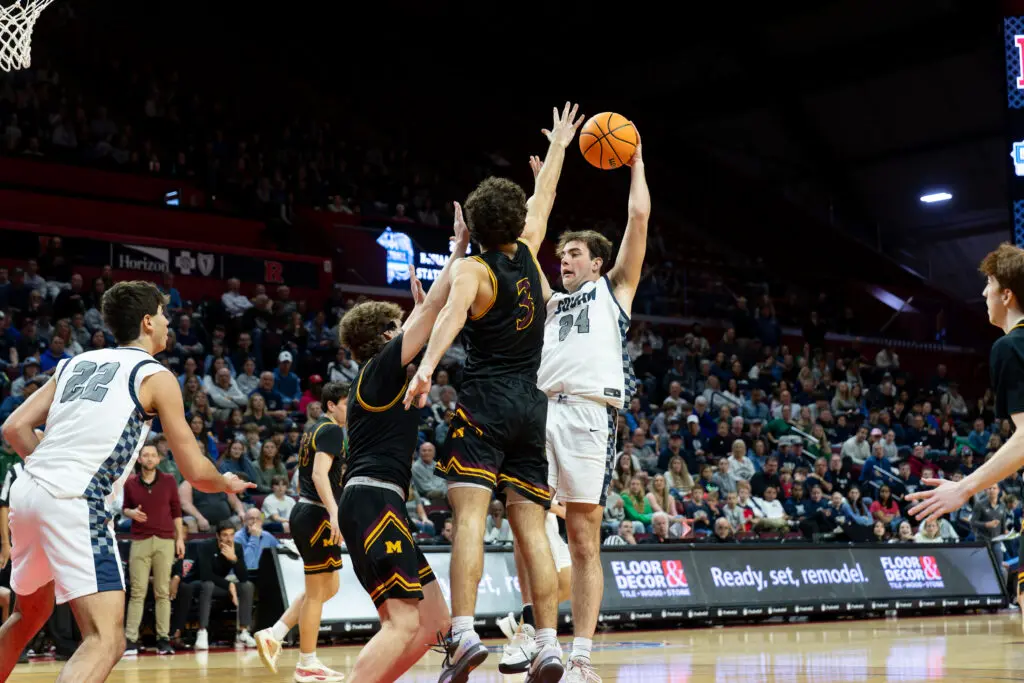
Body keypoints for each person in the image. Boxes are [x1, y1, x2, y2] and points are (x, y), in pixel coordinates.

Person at [403, 101, 584, 683]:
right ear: (516, 220)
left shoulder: (471, 272)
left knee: (472, 518)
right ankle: (549, 642)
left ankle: (462, 635)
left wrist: (427, 368)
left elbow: (450, 319)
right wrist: (558, 147)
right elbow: (546, 196)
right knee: (532, 526)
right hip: (534, 408)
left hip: (483, 401)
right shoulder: (532, 248)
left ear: (473, 229)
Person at [0, 280, 253, 683]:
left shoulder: (73, 363)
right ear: (149, 321)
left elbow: (14, 428)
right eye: (166, 314)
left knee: (26, 615)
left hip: (28, 494)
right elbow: (194, 471)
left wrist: (50, 472)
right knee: (107, 639)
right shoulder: (154, 374)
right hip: (75, 499)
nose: (171, 323)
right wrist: (224, 481)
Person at [516, 119, 647, 683]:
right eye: (561, 254)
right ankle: (535, 633)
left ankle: (582, 657)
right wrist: (547, 177)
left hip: (592, 414)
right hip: (542, 409)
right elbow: (526, 248)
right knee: (524, 524)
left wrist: (635, 161)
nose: (563, 260)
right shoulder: (550, 301)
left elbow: (638, 217)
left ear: (596, 263)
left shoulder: (614, 290)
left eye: (573, 254)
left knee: (584, 538)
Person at [332, 204, 468, 683]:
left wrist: (420, 313)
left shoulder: (378, 377)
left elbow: (425, 319)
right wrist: (460, 246)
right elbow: (432, 312)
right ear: (386, 338)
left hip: (377, 499)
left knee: (437, 623)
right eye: (397, 330)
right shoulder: (380, 368)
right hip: (372, 498)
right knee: (403, 620)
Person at [254, 382, 349, 682]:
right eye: (346, 403)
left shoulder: (313, 429)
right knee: (318, 593)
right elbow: (320, 474)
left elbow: (301, 476)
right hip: (317, 514)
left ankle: (275, 632)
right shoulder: (332, 430)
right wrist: (334, 512)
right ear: (331, 405)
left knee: (327, 587)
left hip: (307, 509)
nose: (350, 409)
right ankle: (307, 662)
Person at [496, 500, 573, 673]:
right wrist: (560, 510)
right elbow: (529, 494)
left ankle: (522, 623)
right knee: (554, 582)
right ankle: (528, 635)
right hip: (537, 513)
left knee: (568, 585)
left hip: (548, 515)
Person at [122, 443, 185, 656]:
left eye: (153, 455)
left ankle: (163, 639)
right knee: (137, 592)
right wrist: (131, 513)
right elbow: (124, 508)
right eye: (145, 455)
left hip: (165, 540)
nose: (149, 458)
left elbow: (177, 511)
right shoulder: (130, 484)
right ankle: (130, 639)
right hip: (140, 540)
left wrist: (180, 540)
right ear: (139, 459)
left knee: (162, 593)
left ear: (158, 459)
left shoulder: (168, 480)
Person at [194, 520, 256, 650]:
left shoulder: (237, 547)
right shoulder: (206, 547)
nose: (229, 539)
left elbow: (244, 577)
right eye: (225, 535)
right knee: (208, 585)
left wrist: (234, 559)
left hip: (221, 585)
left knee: (247, 586)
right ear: (217, 536)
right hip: (199, 583)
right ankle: (202, 631)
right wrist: (230, 585)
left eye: (231, 535)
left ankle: (243, 632)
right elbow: (205, 574)